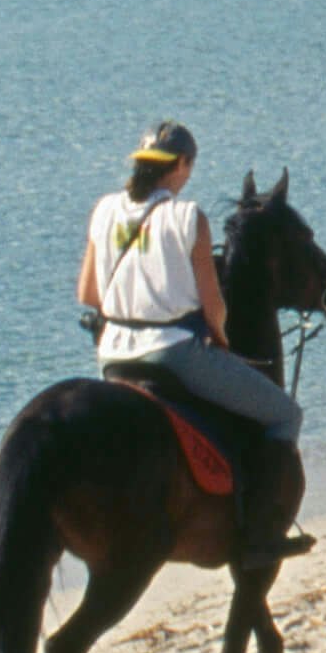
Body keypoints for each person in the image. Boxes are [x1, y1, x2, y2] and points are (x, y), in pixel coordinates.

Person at [77, 121, 305, 445]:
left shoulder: (105, 209)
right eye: (190, 166)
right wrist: (221, 342)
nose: (188, 175)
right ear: (182, 163)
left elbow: (87, 294)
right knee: (287, 415)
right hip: (173, 354)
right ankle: (265, 496)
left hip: (111, 356)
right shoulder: (188, 216)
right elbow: (213, 308)